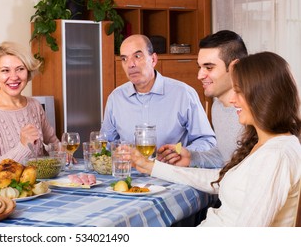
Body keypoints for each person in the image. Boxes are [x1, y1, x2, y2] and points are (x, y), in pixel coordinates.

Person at [131, 51, 301, 226]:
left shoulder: (276, 155)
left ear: (264, 96)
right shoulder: (265, 144)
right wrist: (152, 167)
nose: (233, 100)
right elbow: (220, 180)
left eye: (239, 92)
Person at [101, 34, 216, 151]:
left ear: (153, 59)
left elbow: (207, 141)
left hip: (170, 168)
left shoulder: (183, 94)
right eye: (124, 59)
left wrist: (179, 153)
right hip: (130, 169)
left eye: (137, 56)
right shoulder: (116, 98)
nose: (130, 64)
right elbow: (107, 143)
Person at [157, 30, 248, 168]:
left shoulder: (254, 112)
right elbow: (225, 155)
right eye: (200, 67)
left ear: (234, 67)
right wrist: (191, 157)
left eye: (209, 67)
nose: (200, 75)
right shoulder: (217, 106)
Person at [0, 41, 59, 167]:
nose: (14, 77)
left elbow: (54, 144)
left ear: (28, 71)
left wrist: (64, 153)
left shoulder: (34, 105)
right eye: (5, 70)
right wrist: (22, 147)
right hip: (8, 186)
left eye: (20, 69)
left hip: (41, 184)